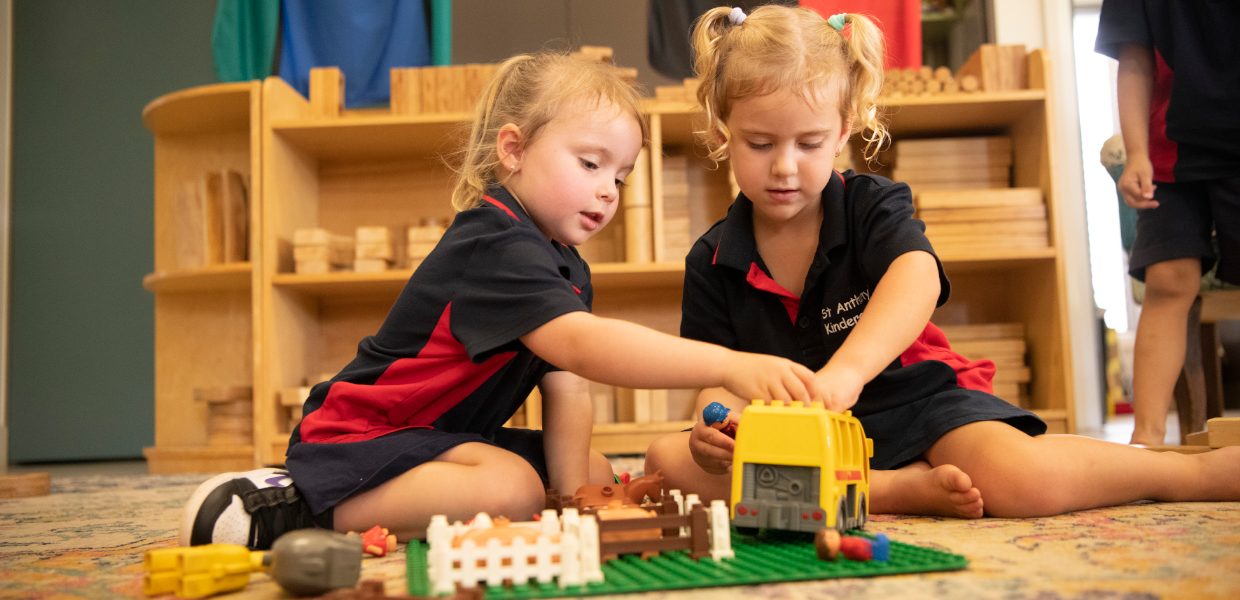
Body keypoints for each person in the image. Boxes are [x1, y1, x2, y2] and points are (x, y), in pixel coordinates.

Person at [178, 52, 819, 550]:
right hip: (364, 436)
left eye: (619, 177)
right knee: (512, 489)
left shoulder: (562, 260)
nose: (607, 193)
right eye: (590, 164)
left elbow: (568, 388)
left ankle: (472, 492)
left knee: (587, 465)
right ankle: (288, 506)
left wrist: (574, 499)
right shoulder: (495, 242)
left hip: (445, 439)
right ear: (512, 150)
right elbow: (585, 348)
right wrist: (727, 365)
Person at [644, 5, 1240, 520]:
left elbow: (917, 277)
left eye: (808, 143)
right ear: (723, 131)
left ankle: (1181, 475)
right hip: (800, 440)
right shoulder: (713, 257)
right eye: (760, 143)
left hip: (916, 400)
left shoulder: (871, 203)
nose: (784, 167)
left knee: (1019, 479)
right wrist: (713, 431)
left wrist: (847, 373)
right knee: (667, 463)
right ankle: (895, 491)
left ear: (843, 131)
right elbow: (712, 377)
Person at [1094, 0, 1240, 446]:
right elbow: (1134, 59)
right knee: (1168, 280)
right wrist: (1137, 152)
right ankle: (1147, 439)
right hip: (1170, 148)